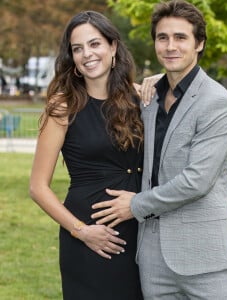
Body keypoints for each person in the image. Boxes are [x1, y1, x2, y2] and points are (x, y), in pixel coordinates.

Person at [92, 1, 227, 299]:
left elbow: (196, 181)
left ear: (199, 44)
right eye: (163, 38)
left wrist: (135, 205)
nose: (170, 46)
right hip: (152, 260)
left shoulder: (216, 102)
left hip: (205, 258)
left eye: (180, 37)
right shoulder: (149, 98)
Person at [29, 11, 144, 299]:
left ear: (113, 47)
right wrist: (81, 232)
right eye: (77, 49)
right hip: (90, 238)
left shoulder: (140, 99)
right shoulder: (63, 106)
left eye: (95, 44)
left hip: (142, 234)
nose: (87, 54)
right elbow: (38, 187)